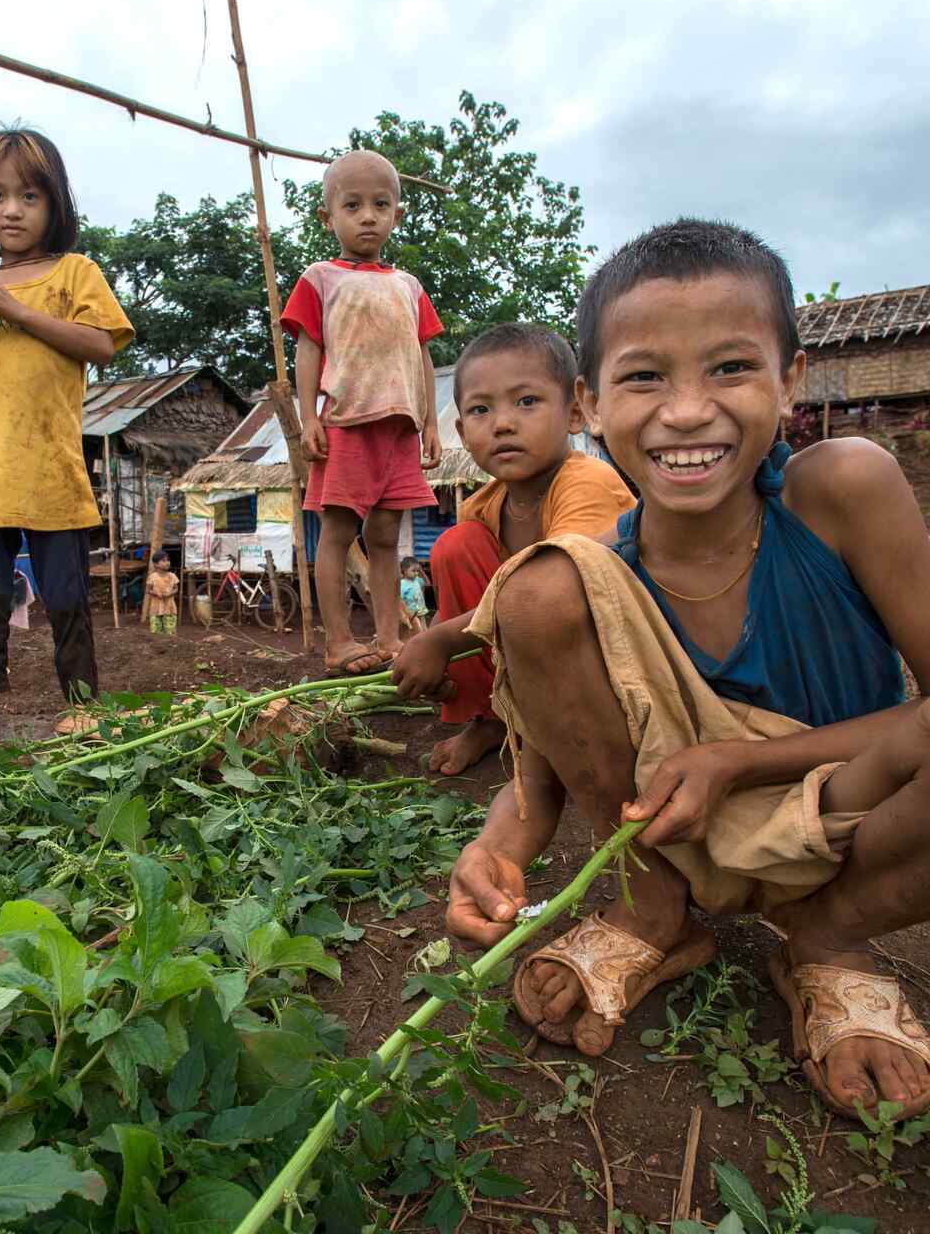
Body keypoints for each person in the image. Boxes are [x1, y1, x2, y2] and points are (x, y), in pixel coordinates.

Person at [402, 218, 930, 1123]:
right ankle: (655, 917)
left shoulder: (843, 488)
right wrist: (497, 852)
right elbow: (539, 775)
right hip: (675, 834)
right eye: (645, 376)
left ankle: (829, 942)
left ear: (791, 379)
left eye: (731, 367)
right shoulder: (602, 570)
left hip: (856, 812)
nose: (687, 411)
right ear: (593, 405)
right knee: (535, 590)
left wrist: (739, 760)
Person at [0, 127, 134, 757]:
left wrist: (17, 311)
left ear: (55, 205)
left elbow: (100, 345)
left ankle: (82, 717)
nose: (11, 210)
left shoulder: (75, 273)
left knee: (69, 600)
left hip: (50, 474)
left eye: (28, 195)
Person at [397, 325, 636, 775]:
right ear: (463, 432)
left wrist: (443, 639)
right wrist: (433, 644)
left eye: (527, 402)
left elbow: (561, 586)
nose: (503, 423)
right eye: (482, 409)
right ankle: (491, 719)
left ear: (575, 413)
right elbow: (478, 601)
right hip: (531, 650)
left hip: (608, 657)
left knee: (539, 583)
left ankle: (565, 726)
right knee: (456, 546)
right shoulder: (481, 505)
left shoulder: (588, 482)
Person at [282, 149, 442, 676]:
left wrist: (432, 424)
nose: (368, 215)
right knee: (337, 532)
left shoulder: (409, 286)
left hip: (400, 428)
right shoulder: (320, 278)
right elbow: (307, 350)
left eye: (381, 204)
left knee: (385, 537)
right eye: (353, 205)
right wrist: (309, 419)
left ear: (397, 212)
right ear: (329, 217)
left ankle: (390, 640)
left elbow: (422, 355)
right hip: (345, 423)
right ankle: (340, 644)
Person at [144, 550, 179, 635]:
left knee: (170, 633)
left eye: (168, 560)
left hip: (170, 608)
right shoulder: (152, 577)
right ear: (156, 564)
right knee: (156, 634)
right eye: (163, 561)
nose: (167, 563)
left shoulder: (172, 576)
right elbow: (147, 590)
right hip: (155, 609)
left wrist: (170, 593)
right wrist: (156, 593)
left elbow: (176, 588)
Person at [399, 557, 429, 634]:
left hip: (421, 610)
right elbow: (400, 599)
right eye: (413, 571)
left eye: (417, 571)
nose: (416, 573)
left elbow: (427, 583)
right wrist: (405, 613)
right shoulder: (402, 584)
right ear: (404, 571)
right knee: (417, 631)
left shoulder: (417, 580)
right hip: (411, 613)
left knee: (425, 630)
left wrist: (422, 572)